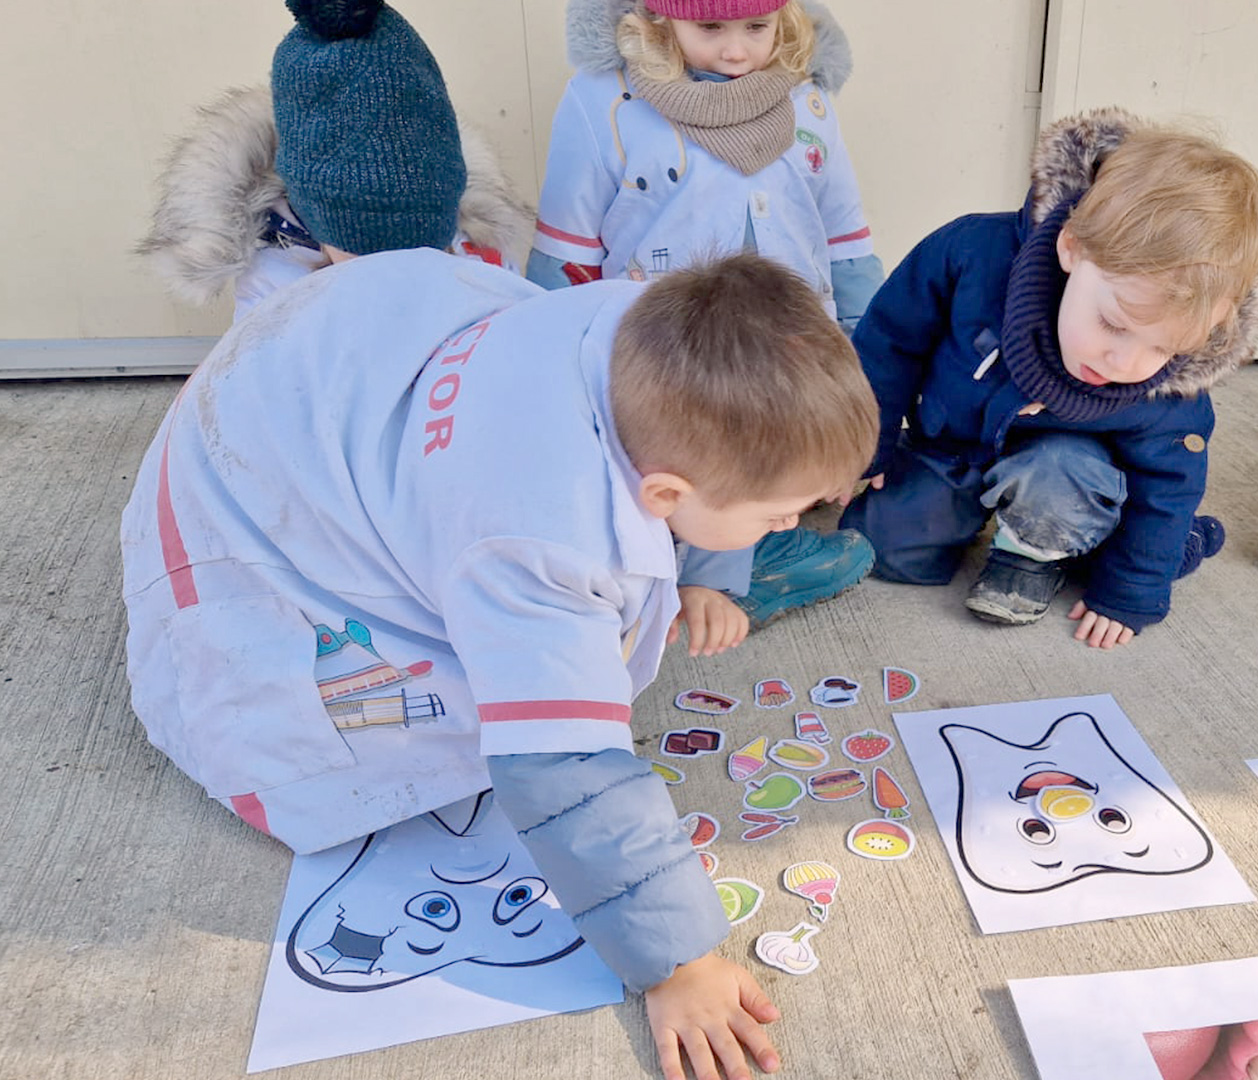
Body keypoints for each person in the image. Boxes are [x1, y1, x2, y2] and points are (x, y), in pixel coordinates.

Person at [121, 250, 877, 1079]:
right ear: (664, 497)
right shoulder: (538, 540)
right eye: (777, 517)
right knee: (422, 720)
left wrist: (708, 559)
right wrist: (678, 962)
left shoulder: (649, 329)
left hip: (309, 377)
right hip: (240, 537)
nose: (793, 523)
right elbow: (562, 771)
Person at [839, 108, 1258, 648]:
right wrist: (865, 444)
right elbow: (887, 345)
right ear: (1071, 248)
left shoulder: (1169, 388)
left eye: (1163, 347)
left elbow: (1169, 483)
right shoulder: (969, 254)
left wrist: (1130, 590)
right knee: (879, 547)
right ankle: (950, 511)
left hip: (1064, 471)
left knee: (1064, 485)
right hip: (953, 443)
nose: (1124, 363)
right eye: (1113, 323)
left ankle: (1032, 555)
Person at [529, 0, 880, 639]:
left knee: (767, 451)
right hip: (668, 340)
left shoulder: (807, 98)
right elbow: (568, 241)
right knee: (680, 455)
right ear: (660, 20)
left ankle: (731, 572)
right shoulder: (603, 102)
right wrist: (542, 355)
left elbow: (842, 225)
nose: (738, 51)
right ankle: (662, 579)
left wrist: (864, 341)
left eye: (757, 27)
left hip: (789, 331)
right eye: (710, 29)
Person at [136, 0, 531, 319]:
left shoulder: (478, 250)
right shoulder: (275, 286)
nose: (394, 269)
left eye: (422, 244)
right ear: (312, 212)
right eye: (366, 247)